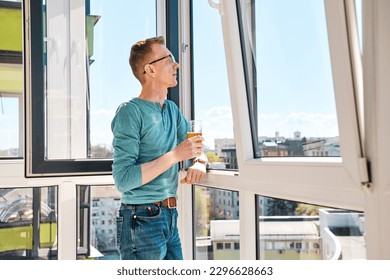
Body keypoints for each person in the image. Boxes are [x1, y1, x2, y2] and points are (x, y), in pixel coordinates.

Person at [111, 36, 208, 260]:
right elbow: (123, 180)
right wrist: (176, 155)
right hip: (141, 220)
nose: (176, 64)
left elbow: (196, 147)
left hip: (169, 215)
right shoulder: (129, 112)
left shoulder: (172, 110)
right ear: (150, 70)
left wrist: (200, 161)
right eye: (168, 59)